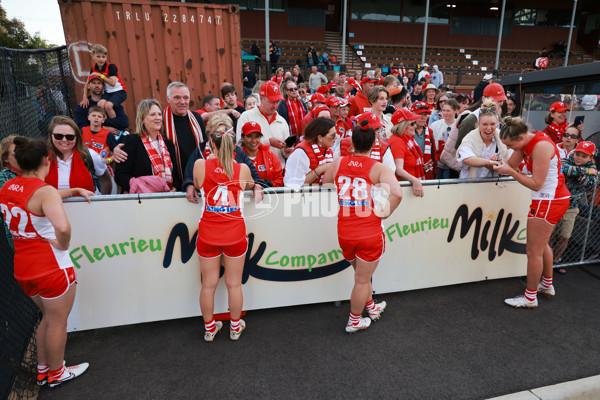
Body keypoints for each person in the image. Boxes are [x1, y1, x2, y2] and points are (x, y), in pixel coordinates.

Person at [0, 137, 89, 387]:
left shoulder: (8, 187)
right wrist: (63, 243)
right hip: (51, 267)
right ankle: (57, 373)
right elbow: (61, 225)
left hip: (24, 267)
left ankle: (43, 370)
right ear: (45, 160)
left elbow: (37, 198)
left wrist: (70, 191)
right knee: (57, 323)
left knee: (47, 319)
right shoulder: (44, 191)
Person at [322, 120, 403, 333]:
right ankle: (354, 320)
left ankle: (371, 307)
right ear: (375, 143)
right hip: (369, 230)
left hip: (345, 230)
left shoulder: (339, 162)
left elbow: (326, 183)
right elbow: (397, 193)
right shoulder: (378, 167)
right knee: (362, 279)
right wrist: (382, 213)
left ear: (352, 142)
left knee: (360, 275)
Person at [493, 117, 571, 308]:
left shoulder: (541, 146)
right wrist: (499, 163)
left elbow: (537, 183)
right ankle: (547, 285)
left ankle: (530, 298)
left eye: (511, 145)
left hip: (549, 201)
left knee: (533, 251)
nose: (511, 148)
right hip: (549, 199)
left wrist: (510, 172)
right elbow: (510, 165)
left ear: (519, 138)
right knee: (542, 246)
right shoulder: (527, 140)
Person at [193, 124, 254, 342]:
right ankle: (235, 327)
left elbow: (197, 183)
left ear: (212, 145)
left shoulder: (201, 165)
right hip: (234, 234)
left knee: (208, 283)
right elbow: (250, 184)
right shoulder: (242, 169)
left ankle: (210, 328)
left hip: (208, 233)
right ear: (234, 147)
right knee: (234, 283)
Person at [183, 115, 264, 203]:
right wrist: (189, 186)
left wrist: (257, 185)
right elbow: (189, 177)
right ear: (210, 135)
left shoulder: (238, 152)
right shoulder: (199, 151)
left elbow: (254, 177)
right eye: (217, 134)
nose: (222, 138)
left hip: (232, 204)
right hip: (206, 202)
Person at [114, 99, 181, 193]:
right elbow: (120, 175)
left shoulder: (168, 144)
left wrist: (174, 189)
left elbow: (176, 177)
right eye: (152, 114)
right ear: (142, 119)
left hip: (167, 199)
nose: (157, 117)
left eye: (159, 114)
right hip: (140, 201)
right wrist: (142, 187)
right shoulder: (131, 141)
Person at [550, 141, 597, 271]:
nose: (579, 158)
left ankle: (556, 261)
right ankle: (545, 259)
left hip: (571, 207)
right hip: (555, 203)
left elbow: (586, 182)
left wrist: (578, 173)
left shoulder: (594, 170)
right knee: (550, 234)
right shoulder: (565, 160)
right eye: (577, 154)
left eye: (584, 156)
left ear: (590, 158)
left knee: (564, 236)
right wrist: (587, 171)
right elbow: (564, 169)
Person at [46, 116, 110, 196]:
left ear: (77, 138)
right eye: (58, 136)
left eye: (70, 137)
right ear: (51, 136)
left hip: (88, 206)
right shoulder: (42, 158)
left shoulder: (89, 155)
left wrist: (103, 203)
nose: (64, 140)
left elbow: (106, 180)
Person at [236, 81, 291, 166]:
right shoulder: (246, 116)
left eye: (278, 101)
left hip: (277, 172)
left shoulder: (282, 121)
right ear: (261, 99)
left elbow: (283, 154)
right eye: (272, 102)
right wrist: (268, 142)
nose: (275, 106)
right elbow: (240, 144)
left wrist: (286, 151)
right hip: (253, 171)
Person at [159, 82, 206, 181]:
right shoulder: (160, 119)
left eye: (186, 98)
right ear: (168, 99)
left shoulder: (196, 118)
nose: (182, 101)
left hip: (197, 178)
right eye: (177, 97)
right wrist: (117, 150)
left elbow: (206, 146)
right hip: (172, 181)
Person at [456, 101, 512, 179]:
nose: (489, 128)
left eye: (492, 124)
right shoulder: (470, 137)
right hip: (470, 186)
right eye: (485, 124)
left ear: (497, 123)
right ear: (478, 124)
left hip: (492, 186)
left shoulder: (502, 138)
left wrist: (496, 162)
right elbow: (467, 159)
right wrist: (489, 162)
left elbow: (510, 163)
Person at [284, 117, 336, 191]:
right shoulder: (300, 152)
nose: (336, 137)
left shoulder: (328, 151)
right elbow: (292, 184)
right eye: (333, 135)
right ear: (320, 137)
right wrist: (320, 169)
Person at [80, 44, 127, 119]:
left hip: (119, 91)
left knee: (108, 106)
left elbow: (113, 83)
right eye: (98, 56)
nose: (101, 59)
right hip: (108, 92)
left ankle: (117, 128)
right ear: (93, 56)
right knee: (100, 105)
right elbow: (87, 84)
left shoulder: (111, 67)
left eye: (103, 57)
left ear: (106, 57)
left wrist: (100, 75)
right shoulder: (93, 68)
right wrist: (84, 97)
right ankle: (104, 126)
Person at [387, 108, 426, 197]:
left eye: (415, 123)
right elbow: (398, 170)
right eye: (412, 124)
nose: (415, 126)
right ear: (402, 126)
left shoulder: (408, 140)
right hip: (403, 190)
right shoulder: (397, 141)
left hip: (409, 189)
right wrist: (415, 181)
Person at [240, 121, 283, 187]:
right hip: (244, 196)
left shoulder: (270, 155)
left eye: (257, 137)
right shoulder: (237, 156)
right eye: (250, 136)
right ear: (243, 138)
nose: (254, 140)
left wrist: (270, 184)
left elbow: (280, 179)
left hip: (269, 195)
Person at [430, 98, 460, 179]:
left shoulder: (459, 125)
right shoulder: (435, 125)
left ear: (455, 111)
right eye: (443, 110)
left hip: (452, 166)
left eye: (448, 111)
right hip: (437, 164)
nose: (445, 113)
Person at [0, 135, 19, 250]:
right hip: (18, 236)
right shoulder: (4, 177)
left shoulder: (33, 170)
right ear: (6, 158)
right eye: (15, 153)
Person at [411, 102, 437, 180]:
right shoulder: (406, 131)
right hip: (410, 173)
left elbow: (434, 155)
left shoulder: (429, 132)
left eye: (425, 115)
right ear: (412, 114)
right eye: (420, 114)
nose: (423, 117)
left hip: (427, 174)